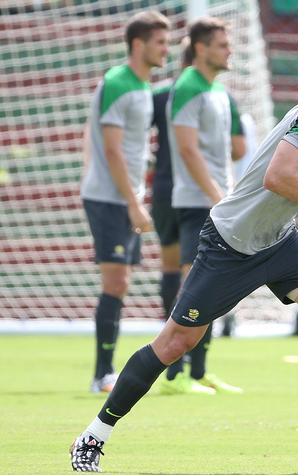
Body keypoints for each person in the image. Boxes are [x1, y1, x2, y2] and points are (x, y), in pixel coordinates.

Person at [70, 39, 298, 472]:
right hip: (230, 244)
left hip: (277, 241)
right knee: (176, 342)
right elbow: (277, 178)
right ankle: (93, 436)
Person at [79, 10, 170, 394]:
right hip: (110, 198)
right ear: (139, 44)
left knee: (123, 282)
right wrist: (134, 201)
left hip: (123, 196)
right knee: (115, 281)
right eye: (160, 42)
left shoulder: (142, 86)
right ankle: (103, 373)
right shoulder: (118, 81)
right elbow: (113, 151)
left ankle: (104, 370)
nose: (166, 49)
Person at [157, 18, 245, 395]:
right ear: (200, 48)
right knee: (196, 287)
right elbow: (187, 149)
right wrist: (215, 196)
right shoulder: (189, 86)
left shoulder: (218, 91)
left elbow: (229, 150)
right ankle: (175, 374)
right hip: (197, 204)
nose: (229, 50)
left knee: (210, 286)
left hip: (215, 201)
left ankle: (197, 372)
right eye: (222, 44)